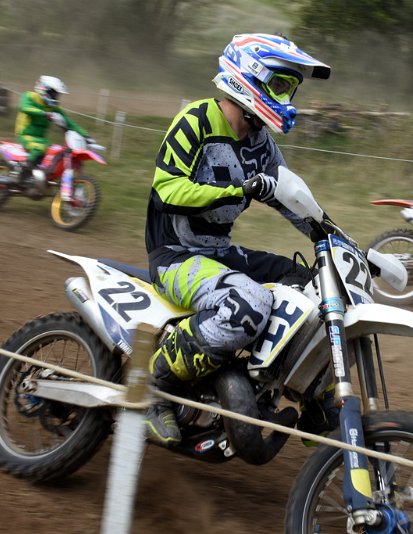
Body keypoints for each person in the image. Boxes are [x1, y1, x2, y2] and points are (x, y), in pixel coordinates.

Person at [144, 33, 336, 446]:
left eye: (290, 89)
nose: (287, 98)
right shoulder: (196, 120)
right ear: (251, 76)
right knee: (250, 302)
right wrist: (238, 189)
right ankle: (153, 388)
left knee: (316, 287)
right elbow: (167, 190)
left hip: (219, 253)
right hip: (175, 255)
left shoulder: (261, 144)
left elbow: (292, 201)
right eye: (281, 85)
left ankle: (312, 400)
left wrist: (335, 240)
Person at [14, 76, 93, 186]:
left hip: (41, 139)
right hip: (25, 135)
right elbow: (24, 107)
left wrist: (86, 136)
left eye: (56, 95)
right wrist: (43, 113)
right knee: (39, 148)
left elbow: (70, 123)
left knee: (57, 151)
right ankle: (23, 173)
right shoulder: (29, 96)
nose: (55, 97)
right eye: (53, 93)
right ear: (43, 89)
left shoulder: (54, 108)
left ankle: (44, 177)